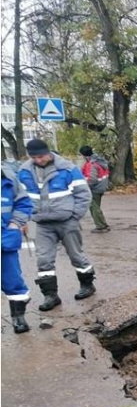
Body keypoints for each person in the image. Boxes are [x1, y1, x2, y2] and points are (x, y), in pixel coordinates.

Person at [17, 139, 97, 311]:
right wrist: (23, 219)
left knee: (76, 256)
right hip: (42, 224)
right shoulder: (24, 171)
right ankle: (50, 295)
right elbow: (20, 197)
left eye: (41, 156)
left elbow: (84, 194)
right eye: (34, 157)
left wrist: (74, 216)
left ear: (48, 152)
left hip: (67, 221)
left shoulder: (67, 168)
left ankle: (87, 285)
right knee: (44, 259)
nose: (38, 160)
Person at [1, 159, 34, 333]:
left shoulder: (8, 179)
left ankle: (18, 317)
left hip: (5, 240)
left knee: (12, 281)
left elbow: (23, 203)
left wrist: (15, 224)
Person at [78, 145, 110, 233]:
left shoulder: (91, 164)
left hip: (95, 189)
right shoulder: (99, 161)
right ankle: (103, 224)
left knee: (93, 207)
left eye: (81, 155)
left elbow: (92, 179)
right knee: (96, 207)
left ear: (84, 155)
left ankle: (101, 226)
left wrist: (83, 187)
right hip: (101, 187)